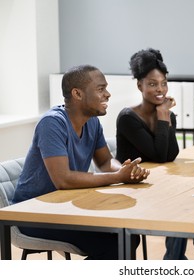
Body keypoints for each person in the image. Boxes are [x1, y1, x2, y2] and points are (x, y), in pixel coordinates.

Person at [12, 64, 150, 260]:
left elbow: (105, 162)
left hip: (65, 207)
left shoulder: (92, 122)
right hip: (33, 215)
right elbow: (64, 180)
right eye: (101, 89)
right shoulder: (52, 123)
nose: (108, 94)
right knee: (117, 240)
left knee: (126, 235)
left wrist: (126, 171)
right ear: (77, 93)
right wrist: (117, 177)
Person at [116, 48, 194, 260]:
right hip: (131, 189)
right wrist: (164, 116)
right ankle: (189, 255)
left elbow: (171, 154)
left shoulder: (167, 114)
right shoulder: (128, 118)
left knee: (192, 195)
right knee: (180, 205)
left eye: (163, 83)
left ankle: (188, 255)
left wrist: (166, 117)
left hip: (156, 183)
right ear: (139, 85)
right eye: (152, 84)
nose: (160, 89)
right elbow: (159, 156)